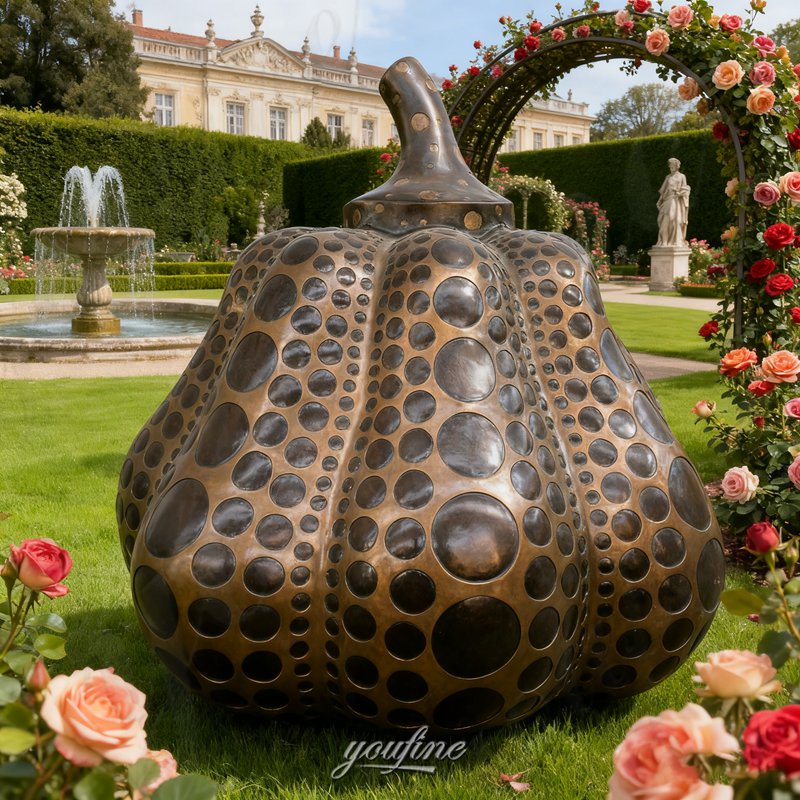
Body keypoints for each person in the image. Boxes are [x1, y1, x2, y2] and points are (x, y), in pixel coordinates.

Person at [656, 158, 691, 247]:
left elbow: (685, 189)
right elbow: (663, 191)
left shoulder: (682, 176)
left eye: (673, 166)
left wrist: (679, 193)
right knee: (663, 220)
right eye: (670, 166)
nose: (671, 167)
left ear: (677, 166)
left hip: (675, 200)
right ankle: (664, 242)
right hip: (667, 200)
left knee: (674, 220)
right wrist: (659, 200)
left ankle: (670, 241)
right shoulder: (668, 177)